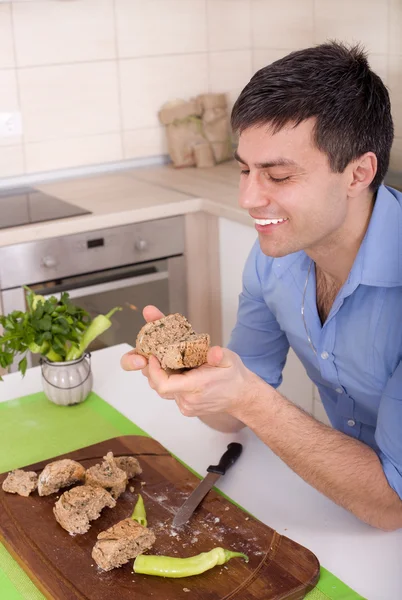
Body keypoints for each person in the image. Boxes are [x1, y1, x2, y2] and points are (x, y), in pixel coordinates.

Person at [121, 42, 402, 531]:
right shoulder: (276, 259)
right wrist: (196, 375)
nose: (249, 197)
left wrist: (247, 397)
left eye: (278, 174)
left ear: (359, 172)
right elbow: (233, 416)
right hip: (348, 512)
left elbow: (392, 505)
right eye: (245, 170)